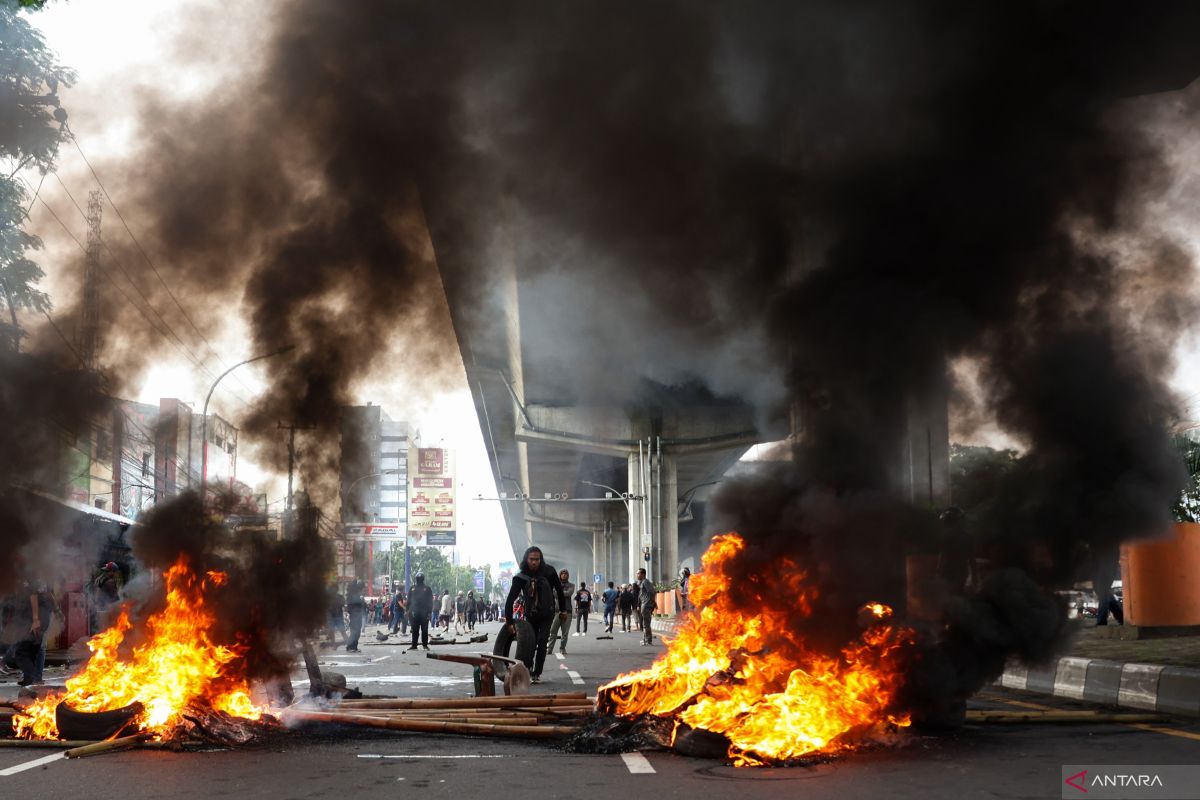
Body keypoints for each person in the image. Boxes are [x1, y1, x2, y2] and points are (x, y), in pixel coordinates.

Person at [504, 546, 568, 684]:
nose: (534, 562)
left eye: (537, 559)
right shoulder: (520, 577)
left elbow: (559, 591)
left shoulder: (549, 571)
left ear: (541, 559)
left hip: (547, 614)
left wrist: (563, 611)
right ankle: (527, 668)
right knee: (530, 644)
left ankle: (537, 673)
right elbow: (510, 600)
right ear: (526, 560)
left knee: (542, 641)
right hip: (530, 615)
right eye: (532, 559)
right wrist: (509, 623)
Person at [546, 569, 574, 654]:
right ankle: (549, 649)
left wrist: (559, 593)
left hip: (567, 611)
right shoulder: (555, 585)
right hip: (557, 611)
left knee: (565, 633)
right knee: (552, 631)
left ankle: (562, 648)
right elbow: (554, 594)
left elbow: (569, 593)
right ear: (560, 575)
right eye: (562, 574)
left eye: (566, 574)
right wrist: (561, 593)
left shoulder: (571, 585)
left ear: (568, 575)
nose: (564, 575)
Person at [406, 573, 434, 650]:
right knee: (415, 629)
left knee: (424, 629)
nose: (419, 580)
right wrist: (407, 610)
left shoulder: (427, 588)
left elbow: (430, 601)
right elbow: (409, 600)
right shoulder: (412, 588)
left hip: (424, 612)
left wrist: (429, 612)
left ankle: (424, 645)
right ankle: (414, 645)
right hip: (414, 612)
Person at [636, 568, 657, 646]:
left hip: (646, 605)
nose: (637, 575)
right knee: (645, 623)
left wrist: (652, 602)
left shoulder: (645, 582)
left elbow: (652, 592)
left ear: (643, 574)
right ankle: (646, 639)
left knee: (646, 624)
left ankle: (648, 640)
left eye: (638, 573)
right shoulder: (642, 582)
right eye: (637, 573)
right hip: (644, 604)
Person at [345, 578, 365, 652]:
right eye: (362, 589)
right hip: (355, 616)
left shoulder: (353, 596)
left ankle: (354, 647)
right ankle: (350, 647)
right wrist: (361, 601)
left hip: (356, 616)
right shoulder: (354, 596)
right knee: (355, 632)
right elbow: (355, 606)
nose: (363, 591)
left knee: (356, 632)